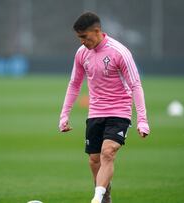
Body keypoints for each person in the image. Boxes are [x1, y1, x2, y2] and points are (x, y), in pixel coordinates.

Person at [59, 12, 150, 203]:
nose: (82, 41)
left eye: (85, 36)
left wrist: (142, 120)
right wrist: (64, 115)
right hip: (95, 113)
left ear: (97, 31)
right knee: (94, 160)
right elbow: (74, 84)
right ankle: (104, 195)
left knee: (108, 152)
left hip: (119, 111)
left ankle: (96, 198)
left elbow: (135, 85)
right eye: (79, 38)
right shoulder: (81, 53)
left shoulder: (119, 52)